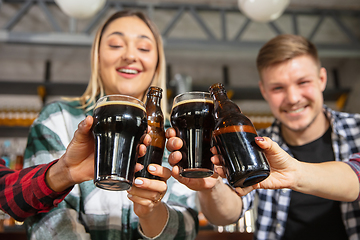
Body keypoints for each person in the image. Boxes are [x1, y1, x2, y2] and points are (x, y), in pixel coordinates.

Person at [23, 10, 198, 240]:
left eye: (144, 48)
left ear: (157, 65)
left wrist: (151, 212)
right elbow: (49, 221)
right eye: (116, 45)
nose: (130, 55)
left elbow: (187, 227)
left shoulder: (173, 134)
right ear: (96, 57)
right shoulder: (57, 120)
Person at [166, 34, 360, 240]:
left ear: (322, 79)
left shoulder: (357, 129)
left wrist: (294, 173)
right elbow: (227, 214)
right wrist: (210, 187)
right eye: (278, 88)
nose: (293, 98)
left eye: (303, 82)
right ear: (264, 91)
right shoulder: (255, 141)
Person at [0, 116, 150, 222]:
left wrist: (152, 212)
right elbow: (6, 192)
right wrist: (64, 173)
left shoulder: (162, 131)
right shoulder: (55, 116)